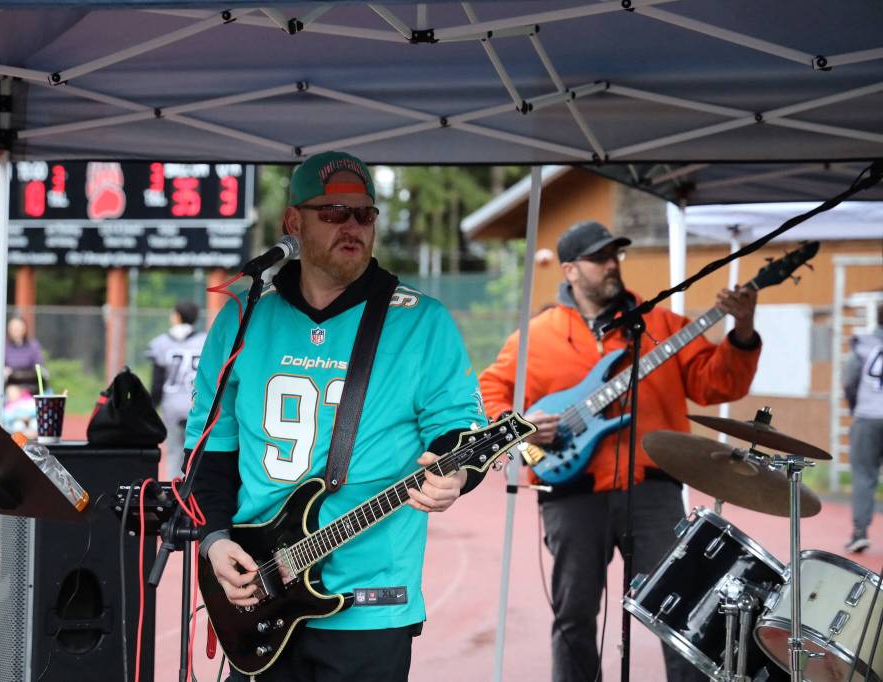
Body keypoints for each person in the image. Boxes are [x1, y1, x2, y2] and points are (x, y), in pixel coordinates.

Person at [184, 151, 485, 682]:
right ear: (293, 223)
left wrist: (456, 471)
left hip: (371, 601)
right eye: (334, 214)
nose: (353, 227)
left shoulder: (422, 323)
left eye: (365, 214)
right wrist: (214, 541)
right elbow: (208, 451)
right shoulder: (243, 314)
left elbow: (458, 428)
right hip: (258, 592)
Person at [478, 220, 762, 682]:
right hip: (571, 492)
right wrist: (522, 429)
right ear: (570, 270)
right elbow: (492, 387)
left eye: (615, 255)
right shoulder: (538, 335)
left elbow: (718, 383)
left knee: (683, 613)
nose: (612, 265)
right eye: (599, 258)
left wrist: (743, 330)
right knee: (574, 615)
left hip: (652, 490)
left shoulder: (661, 326)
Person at [146, 300, 207, 477]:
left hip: (172, 405)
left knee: (174, 453)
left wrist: (151, 408)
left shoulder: (161, 343)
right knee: (197, 454)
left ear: (177, 316)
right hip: (197, 403)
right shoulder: (204, 340)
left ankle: (174, 495)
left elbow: (157, 384)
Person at [841, 302, 883, 553]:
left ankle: (860, 532)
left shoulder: (863, 345)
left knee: (864, 475)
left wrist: (856, 405)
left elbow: (849, 380)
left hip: (867, 416)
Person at [2, 315, 45, 391]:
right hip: (11, 383)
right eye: (13, 328)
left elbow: (39, 363)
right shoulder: (3, 346)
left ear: (24, 329)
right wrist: (4, 370)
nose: (16, 330)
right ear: (9, 329)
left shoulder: (33, 345)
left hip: (31, 383)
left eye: (18, 328)